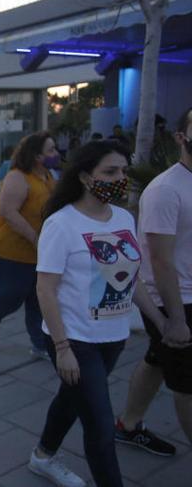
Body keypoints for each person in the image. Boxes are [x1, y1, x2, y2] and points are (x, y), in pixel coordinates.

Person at [28, 140, 168, 487]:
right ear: (86, 176)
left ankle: (42, 456)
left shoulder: (122, 217)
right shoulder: (61, 224)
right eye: (110, 171)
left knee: (72, 399)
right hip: (75, 339)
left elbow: (130, 279)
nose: (120, 177)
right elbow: (45, 289)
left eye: (123, 170)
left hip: (112, 337)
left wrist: (160, 321)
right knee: (101, 426)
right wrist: (62, 349)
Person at [115, 107, 192, 456]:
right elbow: (160, 261)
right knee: (187, 385)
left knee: (157, 360)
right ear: (181, 137)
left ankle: (128, 425)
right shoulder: (165, 190)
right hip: (175, 299)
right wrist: (174, 320)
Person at [0, 132, 57, 359]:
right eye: (50, 150)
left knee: (38, 299)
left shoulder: (48, 176)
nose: (56, 154)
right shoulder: (17, 177)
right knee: (11, 296)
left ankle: (40, 345)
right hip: (8, 248)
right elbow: (8, 212)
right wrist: (35, 238)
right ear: (36, 154)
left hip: (38, 251)